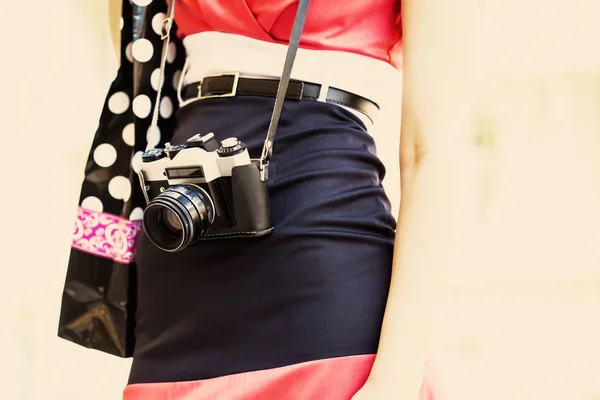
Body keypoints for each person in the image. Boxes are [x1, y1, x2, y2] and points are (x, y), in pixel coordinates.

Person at [102, 0, 469, 398]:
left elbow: (429, 156)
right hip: (181, 248)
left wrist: (396, 377)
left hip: (323, 273)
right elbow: (135, 53)